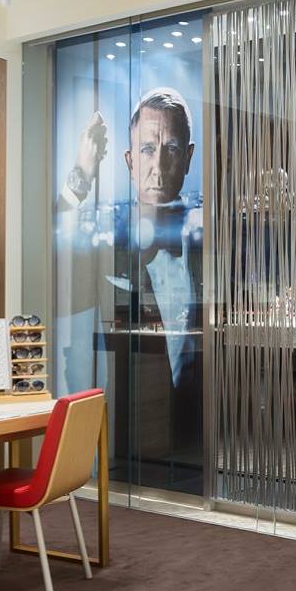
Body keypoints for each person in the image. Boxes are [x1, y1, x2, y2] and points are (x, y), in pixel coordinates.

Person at [57, 87, 204, 487]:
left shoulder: (201, 238)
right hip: (132, 429)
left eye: (171, 149)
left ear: (188, 158)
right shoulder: (109, 241)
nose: (158, 166)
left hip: (191, 444)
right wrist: (82, 173)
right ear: (129, 161)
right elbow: (58, 246)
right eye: (147, 150)